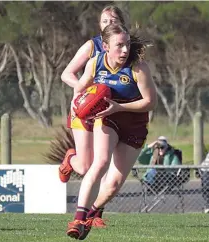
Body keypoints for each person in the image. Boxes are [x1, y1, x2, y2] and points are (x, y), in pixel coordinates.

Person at [66, 23, 156, 240]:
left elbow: (150, 102)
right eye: (119, 46)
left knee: (114, 184)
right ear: (105, 46)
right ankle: (78, 219)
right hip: (108, 119)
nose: (125, 50)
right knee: (100, 162)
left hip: (134, 125)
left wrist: (120, 106)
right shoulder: (95, 63)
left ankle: (92, 211)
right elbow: (80, 87)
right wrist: (76, 105)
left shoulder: (138, 68)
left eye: (127, 45)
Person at [58, 5, 125, 227]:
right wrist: (87, 92)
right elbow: (66, 73)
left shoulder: (125, 48)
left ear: (121, 23)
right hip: (85, 108)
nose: (109, 24)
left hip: (109, 112)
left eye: (113, 20)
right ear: (99, 25)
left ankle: (95, 214)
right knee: (87, 166)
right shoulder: (92, 45)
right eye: (104, 21)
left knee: (102, 164)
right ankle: (70, 159)